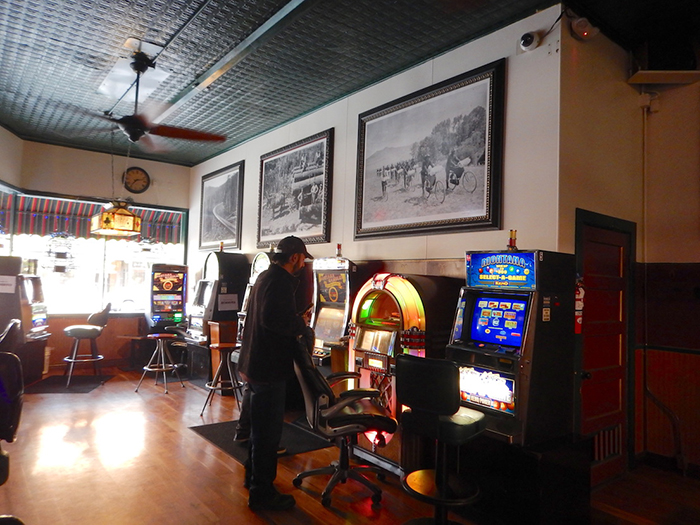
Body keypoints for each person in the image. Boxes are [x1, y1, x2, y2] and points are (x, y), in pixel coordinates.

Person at [237, 235, 314, 512]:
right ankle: (262, 493)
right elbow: (274, 320)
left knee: (259, 430)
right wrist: (300, 323)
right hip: (268, 367)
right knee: (267, 434)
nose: (303, 264)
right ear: (294, 257)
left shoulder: (264, 277)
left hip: (254, 364)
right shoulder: (280, 281)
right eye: (302, 259)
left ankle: (252, 478)